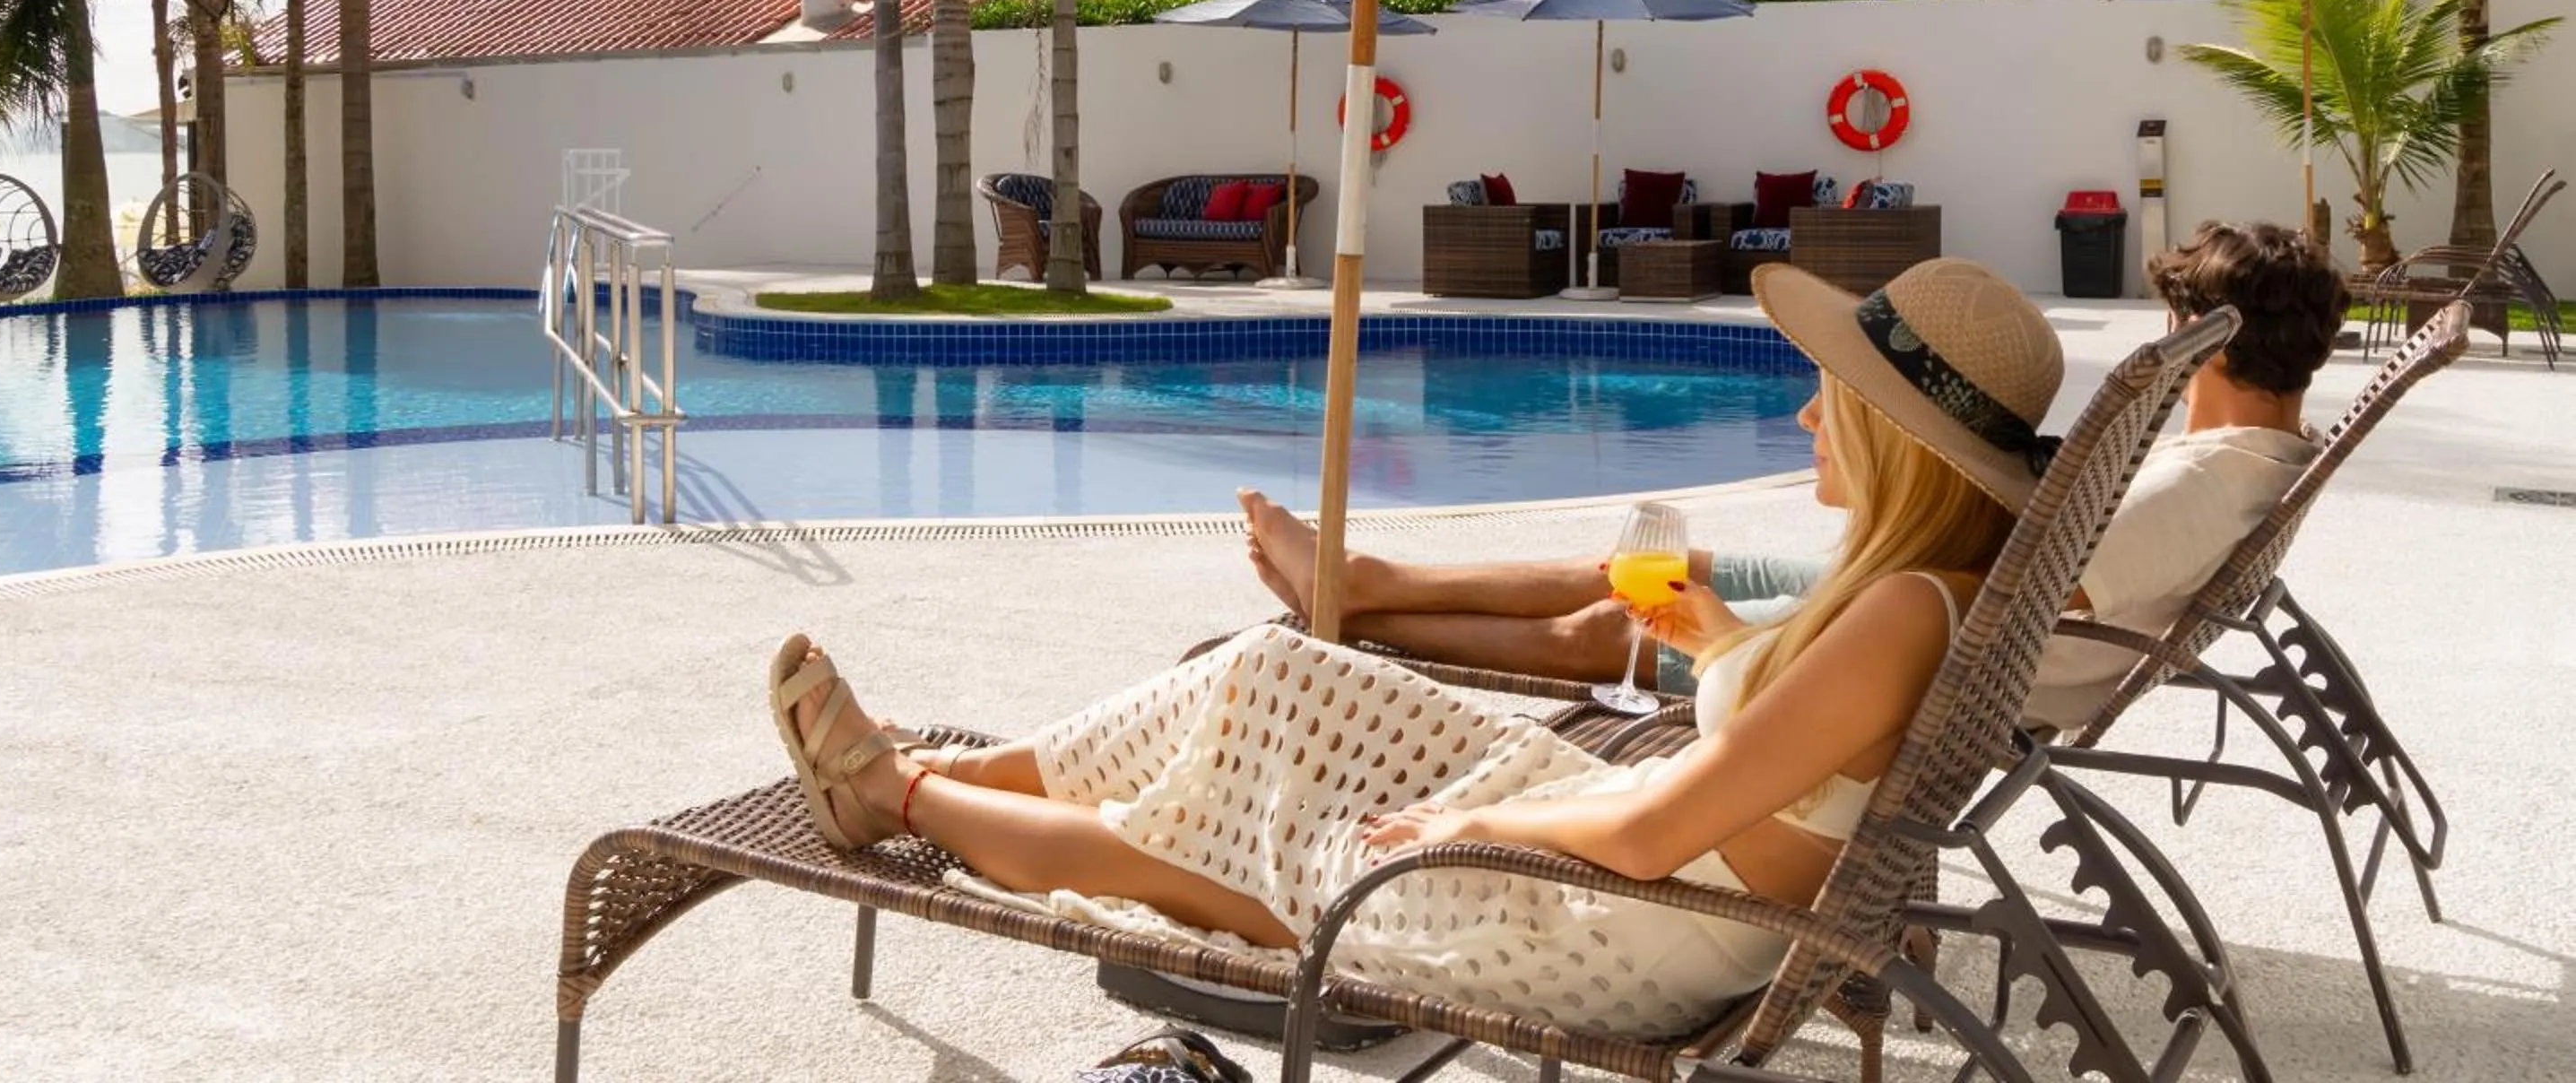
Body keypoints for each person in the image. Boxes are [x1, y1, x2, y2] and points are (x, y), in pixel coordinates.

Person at [768, 259, 2063, 1038]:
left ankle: (903, 794)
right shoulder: (1919, 595)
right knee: (1280, 676)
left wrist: (1464, 830)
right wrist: (1720, 639)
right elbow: (1784, 764)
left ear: (1901, 439)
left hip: (1610, 927)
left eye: (1831, 403)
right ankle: (979, 768)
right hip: (1631, 859)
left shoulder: (1900, 615)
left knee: (1237, 852)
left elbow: (1653, 841)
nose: (1802, 413)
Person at [1236, 221, 2348, 731]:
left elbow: (2025, 597)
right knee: (1643, 563)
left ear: (2202, 335)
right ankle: (1367, 577)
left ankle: (1348, 617)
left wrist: (1760, 624)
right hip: (1910, 593)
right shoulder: (2245, 462)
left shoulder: (2202, 482)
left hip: (1913, 640)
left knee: (1606, 629)